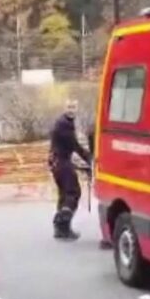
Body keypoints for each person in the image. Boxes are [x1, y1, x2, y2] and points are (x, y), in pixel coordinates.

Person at [49, 99, 91, 241]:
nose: (71, 110)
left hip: (57, 162)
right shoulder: (64, 124)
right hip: (61, 161)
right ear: (64, 108)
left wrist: (83, 163)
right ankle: (63, 225)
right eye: (69, 107)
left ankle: (60, 229)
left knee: (64, 194)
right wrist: (88, 158)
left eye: (73, 107)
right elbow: (74, 145)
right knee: (73, 192)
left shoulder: (64, 122)